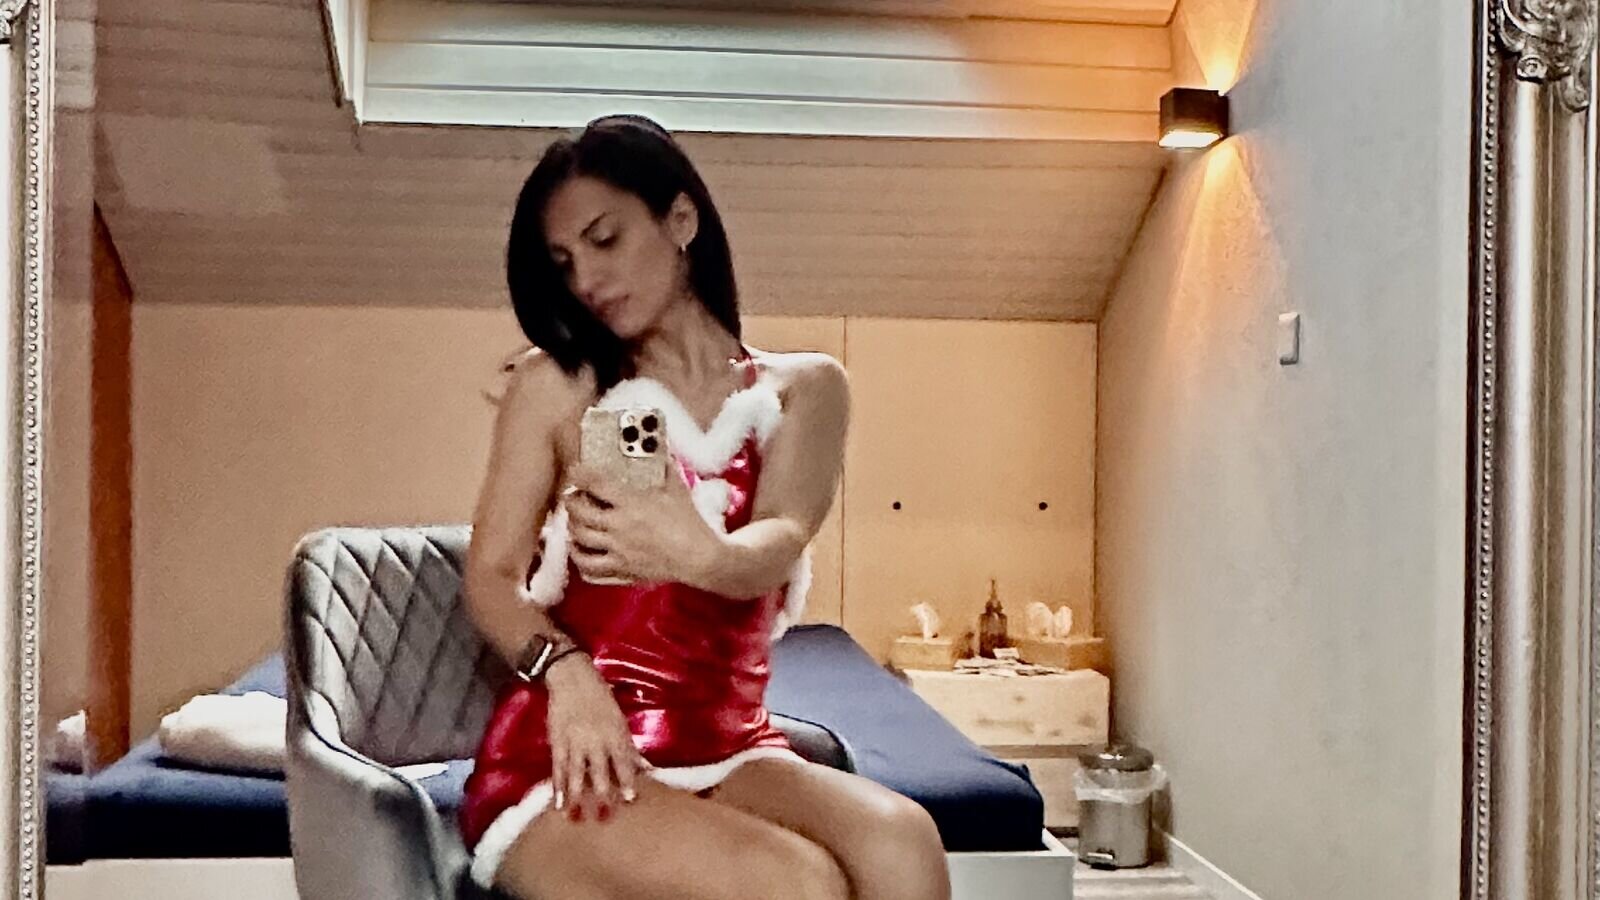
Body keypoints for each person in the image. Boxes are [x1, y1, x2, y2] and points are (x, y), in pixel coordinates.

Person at [458, 114, 951, 900]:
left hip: (728, 744)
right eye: (566, 261)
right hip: (571, 754)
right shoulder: (558, 385)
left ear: (680, 220)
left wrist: (700, 554)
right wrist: (569, 676)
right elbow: (490, 579)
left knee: (905, 844)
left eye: (605, 239)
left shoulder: (805, 389)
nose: (586, 279)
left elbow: (782, 536)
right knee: (796, 884)